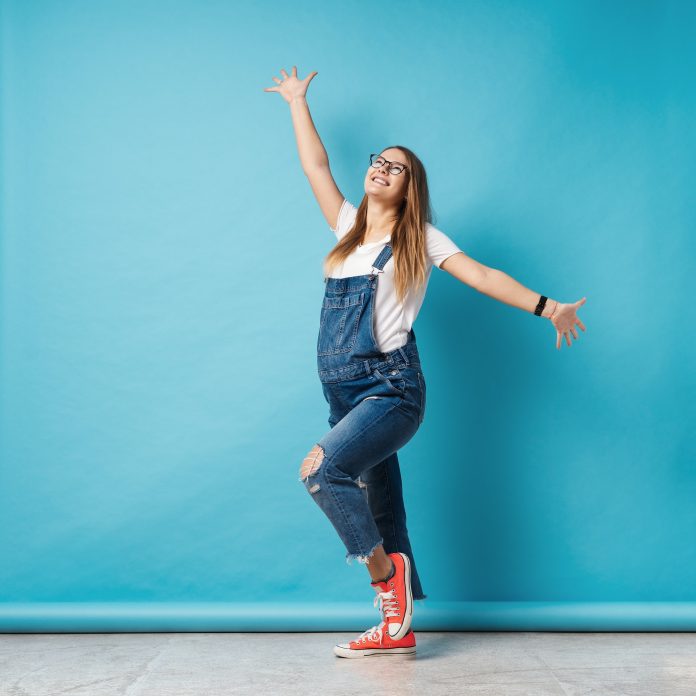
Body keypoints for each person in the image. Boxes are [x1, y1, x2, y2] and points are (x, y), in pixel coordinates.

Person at [264, 66, 587, 658]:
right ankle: (397, 626)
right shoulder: (345, 228)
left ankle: (387, 584)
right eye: (377, 161)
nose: (380, 169)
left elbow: (484, 275)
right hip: (343, 397)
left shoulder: (422, 239)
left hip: (391, 391)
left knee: (320, 472)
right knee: (382, 508)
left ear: (410, 188)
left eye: (396, 167)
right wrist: (295, 102)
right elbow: (315, 166)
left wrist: (550, 309)